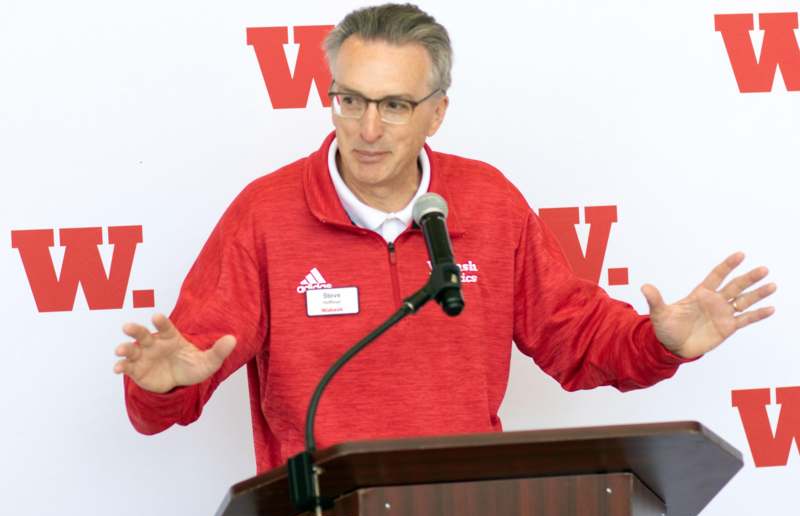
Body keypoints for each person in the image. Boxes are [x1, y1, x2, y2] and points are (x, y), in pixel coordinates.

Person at [114, 3, 776, 474]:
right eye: (351, 99)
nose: (368, 127)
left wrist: (656, 342)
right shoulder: (265, 214)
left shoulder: (487, 201)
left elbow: (573, 337)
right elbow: (174, 383)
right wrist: (162, 386)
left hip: (468, 509)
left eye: (395, 104)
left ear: (436, 112)